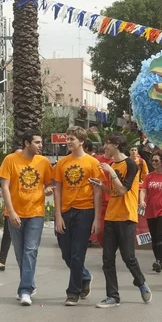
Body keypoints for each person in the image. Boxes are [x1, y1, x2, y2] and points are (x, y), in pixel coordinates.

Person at [93, 133, 152, 308]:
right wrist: (100, 185)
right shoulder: (112, 164)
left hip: (127, 217)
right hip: (111, 216)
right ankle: (113, 296)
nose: (105, 148)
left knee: (128, 257)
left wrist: (111, 173)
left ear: (117, 145)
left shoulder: (131, 164)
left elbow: (123, 189)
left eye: (107, 144)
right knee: (107, 259)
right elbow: (113, 192)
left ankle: (140, 282)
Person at [0, 130, 53, 306]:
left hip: (36, 213)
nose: (40, 146)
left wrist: (48, 190)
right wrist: (11, 211)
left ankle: (25, 290)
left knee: (30, 250)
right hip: (15, 213)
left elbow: (50, 183)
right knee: (20, 253)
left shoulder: (43, 162)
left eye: (41, 142)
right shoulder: (10, 160)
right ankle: (30, 284)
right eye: (37, 142)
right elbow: (5, 187)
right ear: (27, 143)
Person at [54, 126, 102, 306]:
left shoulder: (93, 163)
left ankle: (72, 293)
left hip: (85, 210)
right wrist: (57, 215)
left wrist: (97, 218)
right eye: (67, 138)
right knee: (66, 253)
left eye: (71, 139)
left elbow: (97, 192)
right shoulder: (62, 163)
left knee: (77, 254)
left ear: (81, 141)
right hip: (66, 211)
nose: (68, 142)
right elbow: (58, 189)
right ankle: (84, 276)